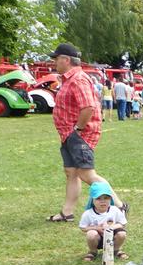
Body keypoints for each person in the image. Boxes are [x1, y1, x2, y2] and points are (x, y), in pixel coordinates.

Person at [47, 42, 127, 223]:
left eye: (57, 59)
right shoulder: (69, 79)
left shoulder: (78, 79)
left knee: (86, 174)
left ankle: (120, 206)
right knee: (71, 172)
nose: (54, 63)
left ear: (66, 60)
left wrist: (78, 129)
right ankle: (67, 212)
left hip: (79, 135)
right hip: (68, 135)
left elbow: (88, 107)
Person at [79, 181, 128, 262]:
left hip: (112, 236)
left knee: (122, 233)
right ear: (92, 200)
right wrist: (97, 228)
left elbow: (122, 223)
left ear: (110, 198)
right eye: (98, 198)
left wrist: (111, 227)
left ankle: (116, 250)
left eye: (106, 198)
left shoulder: (114, 210)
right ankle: (92, 251)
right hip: (97, 238)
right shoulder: (88, 213)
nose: (103, 201)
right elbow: (83, 227)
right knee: (91, 234)